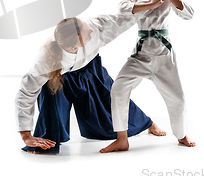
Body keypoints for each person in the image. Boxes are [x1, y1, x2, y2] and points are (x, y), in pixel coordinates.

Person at [16, 14, 166, 154]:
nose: (92, 30)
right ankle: (45, 140)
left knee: (109, 98)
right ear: (75, 47)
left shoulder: (96, 26)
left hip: (88, 68)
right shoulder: (46, 61)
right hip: (58, 77)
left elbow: (122, 20)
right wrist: (25, 134)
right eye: (87, 31)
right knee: (51, 110)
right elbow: (26, 93)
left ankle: (148, 124)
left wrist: (147, 7)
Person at [100, 0, 195, 153]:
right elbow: (123, 9)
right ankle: (122, 139)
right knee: (118, 88)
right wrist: (152, 2)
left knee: (178, 99)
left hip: (163, 57)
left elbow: (189, 14)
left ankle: (181, 134)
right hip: (140, 56)